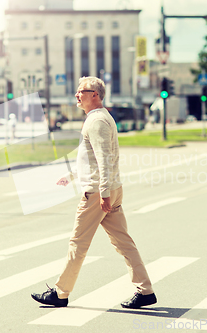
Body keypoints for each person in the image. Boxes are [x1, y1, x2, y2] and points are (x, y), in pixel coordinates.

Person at [31, 76, 156, 309]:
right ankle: (145, 290)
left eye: (82, 91)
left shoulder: (97, 121)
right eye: (77, 91)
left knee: (78, 243)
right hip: (110, 189)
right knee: (124, 243)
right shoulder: (98, 118)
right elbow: (89, 157)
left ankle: (60, 294)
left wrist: (104, 193)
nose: (77, 95)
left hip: (99, 193)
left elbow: (104, 159)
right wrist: (70, 176)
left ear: (95, 95)